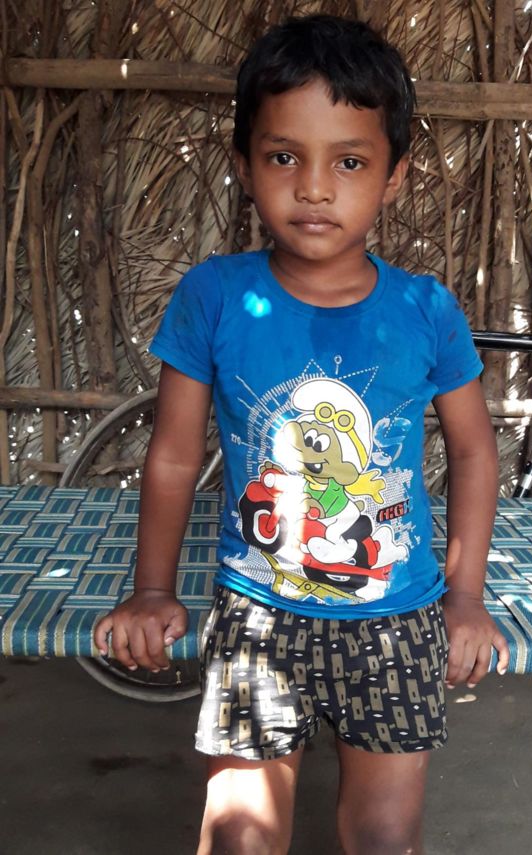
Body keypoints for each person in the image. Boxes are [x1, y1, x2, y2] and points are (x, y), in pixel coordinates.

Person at [95, 14, 509, 855]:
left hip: (396, 620)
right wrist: (152, 589)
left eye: (349, 161)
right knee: (238, 839)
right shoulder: (214, 296)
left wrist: (464, 600)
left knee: (384, 837)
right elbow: (173, 455)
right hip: (258, 616)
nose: (314, 188)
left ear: (394, 175)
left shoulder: (425, 308)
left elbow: (473, 451)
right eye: (285, 157)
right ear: (244, 164)